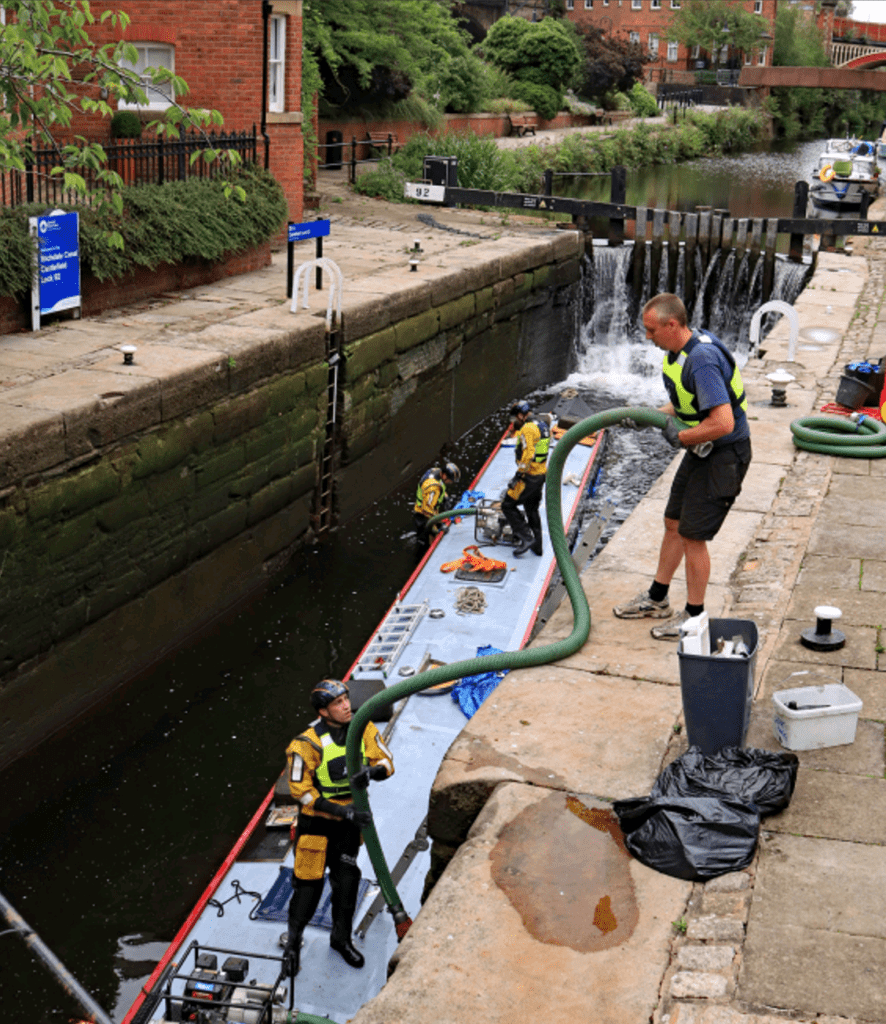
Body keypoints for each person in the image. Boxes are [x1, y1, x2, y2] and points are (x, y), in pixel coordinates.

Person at [613, 293, 752, 640]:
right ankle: (657, 599)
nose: (648, 337)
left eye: (651, 330)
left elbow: (722, 422)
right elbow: (687, 403)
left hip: (723, 456)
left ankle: (694, 618)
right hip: (702, 450)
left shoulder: (702, 360)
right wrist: (650, 418)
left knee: (693, 536)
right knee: (673, 522)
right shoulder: (678, 353)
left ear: (672, 324)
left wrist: (680, 438)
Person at [282, 679, 394, 976]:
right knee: (307, 889)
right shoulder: (305, 744)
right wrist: (342, 811)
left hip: (348, 828)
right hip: (316, 827)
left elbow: (387, 761)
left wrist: (371, 771)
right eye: (338, 703)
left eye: (346, 699)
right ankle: (293, 944)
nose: (346, 706)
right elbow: (301, 791)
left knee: (347, 885)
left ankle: (340, 940)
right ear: (323, 711)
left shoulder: (364, 729)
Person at [502, 400, 550, 557]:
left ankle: (526, 538)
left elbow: (528, 454)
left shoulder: (527, 428)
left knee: (508, 505)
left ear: (521, 415)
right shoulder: (542, 424)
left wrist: (519, 474)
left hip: (529, 476)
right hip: (541, 474)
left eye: (516, 417)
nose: (515, 420)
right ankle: (538, 546)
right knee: (531, 509)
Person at [412, 461, 460, 552]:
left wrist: (446, 498)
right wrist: (439, 524)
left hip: (428, 509)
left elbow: (440, 485)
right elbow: (427, 510)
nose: (451, 483)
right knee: (426, 542)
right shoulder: (433, 488)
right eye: (450, 480)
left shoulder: (436, 471)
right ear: (445, 476)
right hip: (424, 517)